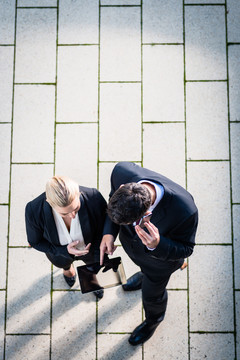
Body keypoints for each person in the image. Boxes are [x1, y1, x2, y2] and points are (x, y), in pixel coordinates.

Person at [100, 162, 198, 345]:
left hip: (159, 264)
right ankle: (143, 275)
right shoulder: (121, 172)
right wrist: (108, 232)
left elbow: (187, 248)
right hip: (134, 250)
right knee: (143, 272)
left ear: (147, 213)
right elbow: (111, 200)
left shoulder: (185, 210)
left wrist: (158, 244)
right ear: (122, 187)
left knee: (153, 296)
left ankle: (154, 321)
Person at [25, 176, 107, 299]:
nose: (73, 216)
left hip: (92, 250)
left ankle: (92, 279)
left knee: (94, 268)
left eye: (76, 208)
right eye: (64, 214)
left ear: (78, 194)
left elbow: (105, 225)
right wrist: (63, 251)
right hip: (59, 254)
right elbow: (35, 241)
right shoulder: (34, 210)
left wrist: (101, 245)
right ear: (49, 202)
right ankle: (67, 269)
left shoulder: (94, 197)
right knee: (64, 264)